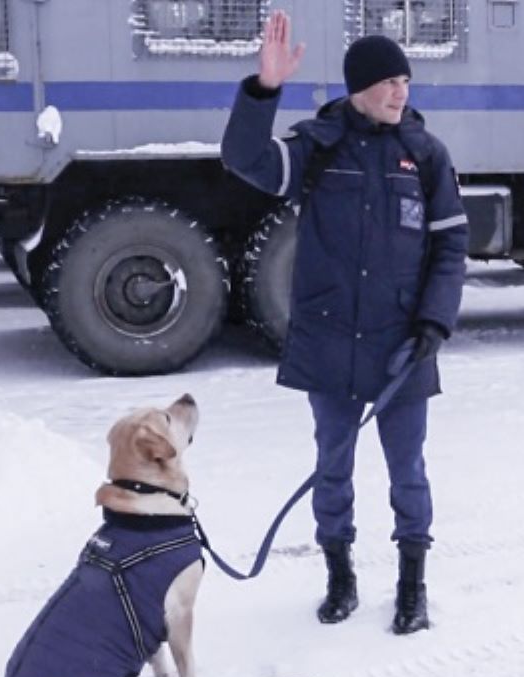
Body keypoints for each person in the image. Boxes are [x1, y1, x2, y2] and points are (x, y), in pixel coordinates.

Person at [221, 12, 468, 635]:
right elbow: (243, 158)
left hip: (402, 345)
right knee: (332, 470)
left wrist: (434, 324)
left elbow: (451, 247)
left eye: (404, 81)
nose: (399, 92)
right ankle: (340, 576)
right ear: (359, 88)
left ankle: (413, 584)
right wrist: (263, 91)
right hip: (329, 339)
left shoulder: (426, 155)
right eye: (387, 82)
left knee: (408, 471)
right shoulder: (319, 145)